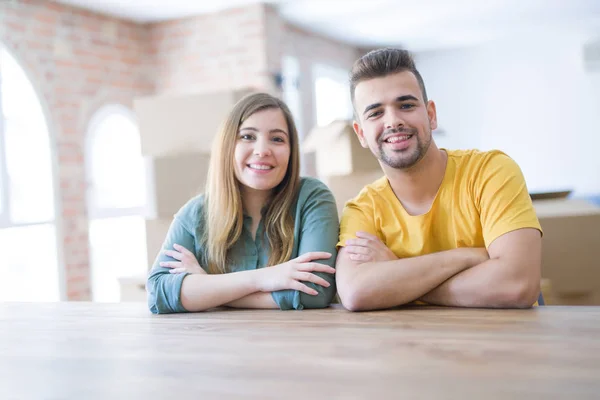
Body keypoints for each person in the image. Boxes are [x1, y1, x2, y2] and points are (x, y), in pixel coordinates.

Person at [335, 48, 543, 311]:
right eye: (375, 113)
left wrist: (397, 274)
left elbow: (517, 284)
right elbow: (355, 292)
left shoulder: (491, 171)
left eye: (406, 105)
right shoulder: (362, 209)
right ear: (361, 133)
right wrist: (466, 258)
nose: (393, 121)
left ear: (431, 114)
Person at [147, 93, 338, 314]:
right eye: (247, 137)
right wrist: (264, 278)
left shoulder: (312, 197)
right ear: (228, 146)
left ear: (291, 152)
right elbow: (158, 294)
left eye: (277, 139)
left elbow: (315, 291)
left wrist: (209, 288)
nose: (262, 150)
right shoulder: (195, 213)